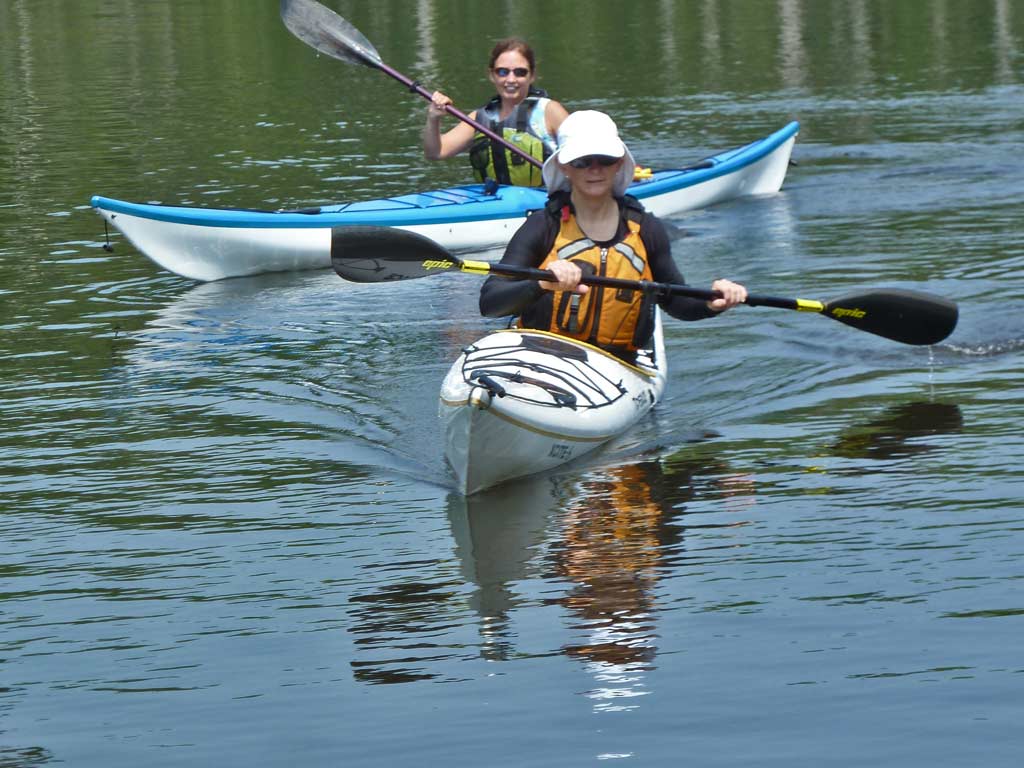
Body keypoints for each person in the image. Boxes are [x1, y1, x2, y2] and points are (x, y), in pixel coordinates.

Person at [479, 110, 748, 361]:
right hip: (544, 357)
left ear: (619, 163)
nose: (595, 169)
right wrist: (541, 284)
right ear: (564, 166)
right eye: (582, 162)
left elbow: (676, 301)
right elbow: (491, 303)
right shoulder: (542, 226)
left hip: (619, 364)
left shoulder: (647, 229)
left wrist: (714, 302)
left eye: (605, 160)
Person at [423, 38, 569, 188]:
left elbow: (585, 153)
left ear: (532, 76)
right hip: (497, 205)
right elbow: (435, 152)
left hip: (547, 203)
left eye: (520, 72)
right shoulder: (480, 119)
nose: (511, 79)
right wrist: (433, 118)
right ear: (492, 75)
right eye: (502, 72)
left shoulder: (549, 111)